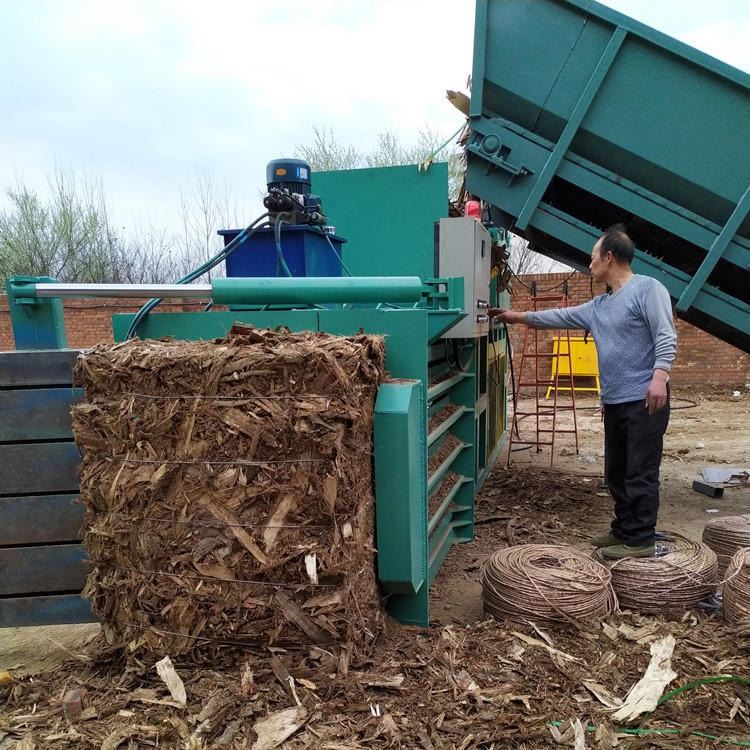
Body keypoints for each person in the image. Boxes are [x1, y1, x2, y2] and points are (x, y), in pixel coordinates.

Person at [491, 225, 676, 559]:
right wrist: (515, 316)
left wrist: (659, 376)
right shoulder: (599, 306)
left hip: (645, 400)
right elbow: (557, 317)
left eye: (593, 257)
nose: (589, 264)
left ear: (609, 257)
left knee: (640, 471)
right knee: (616, 472)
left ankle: (640, 539)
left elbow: (666, 334)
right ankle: (623, 528)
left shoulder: (648, 289)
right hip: (616, 401)